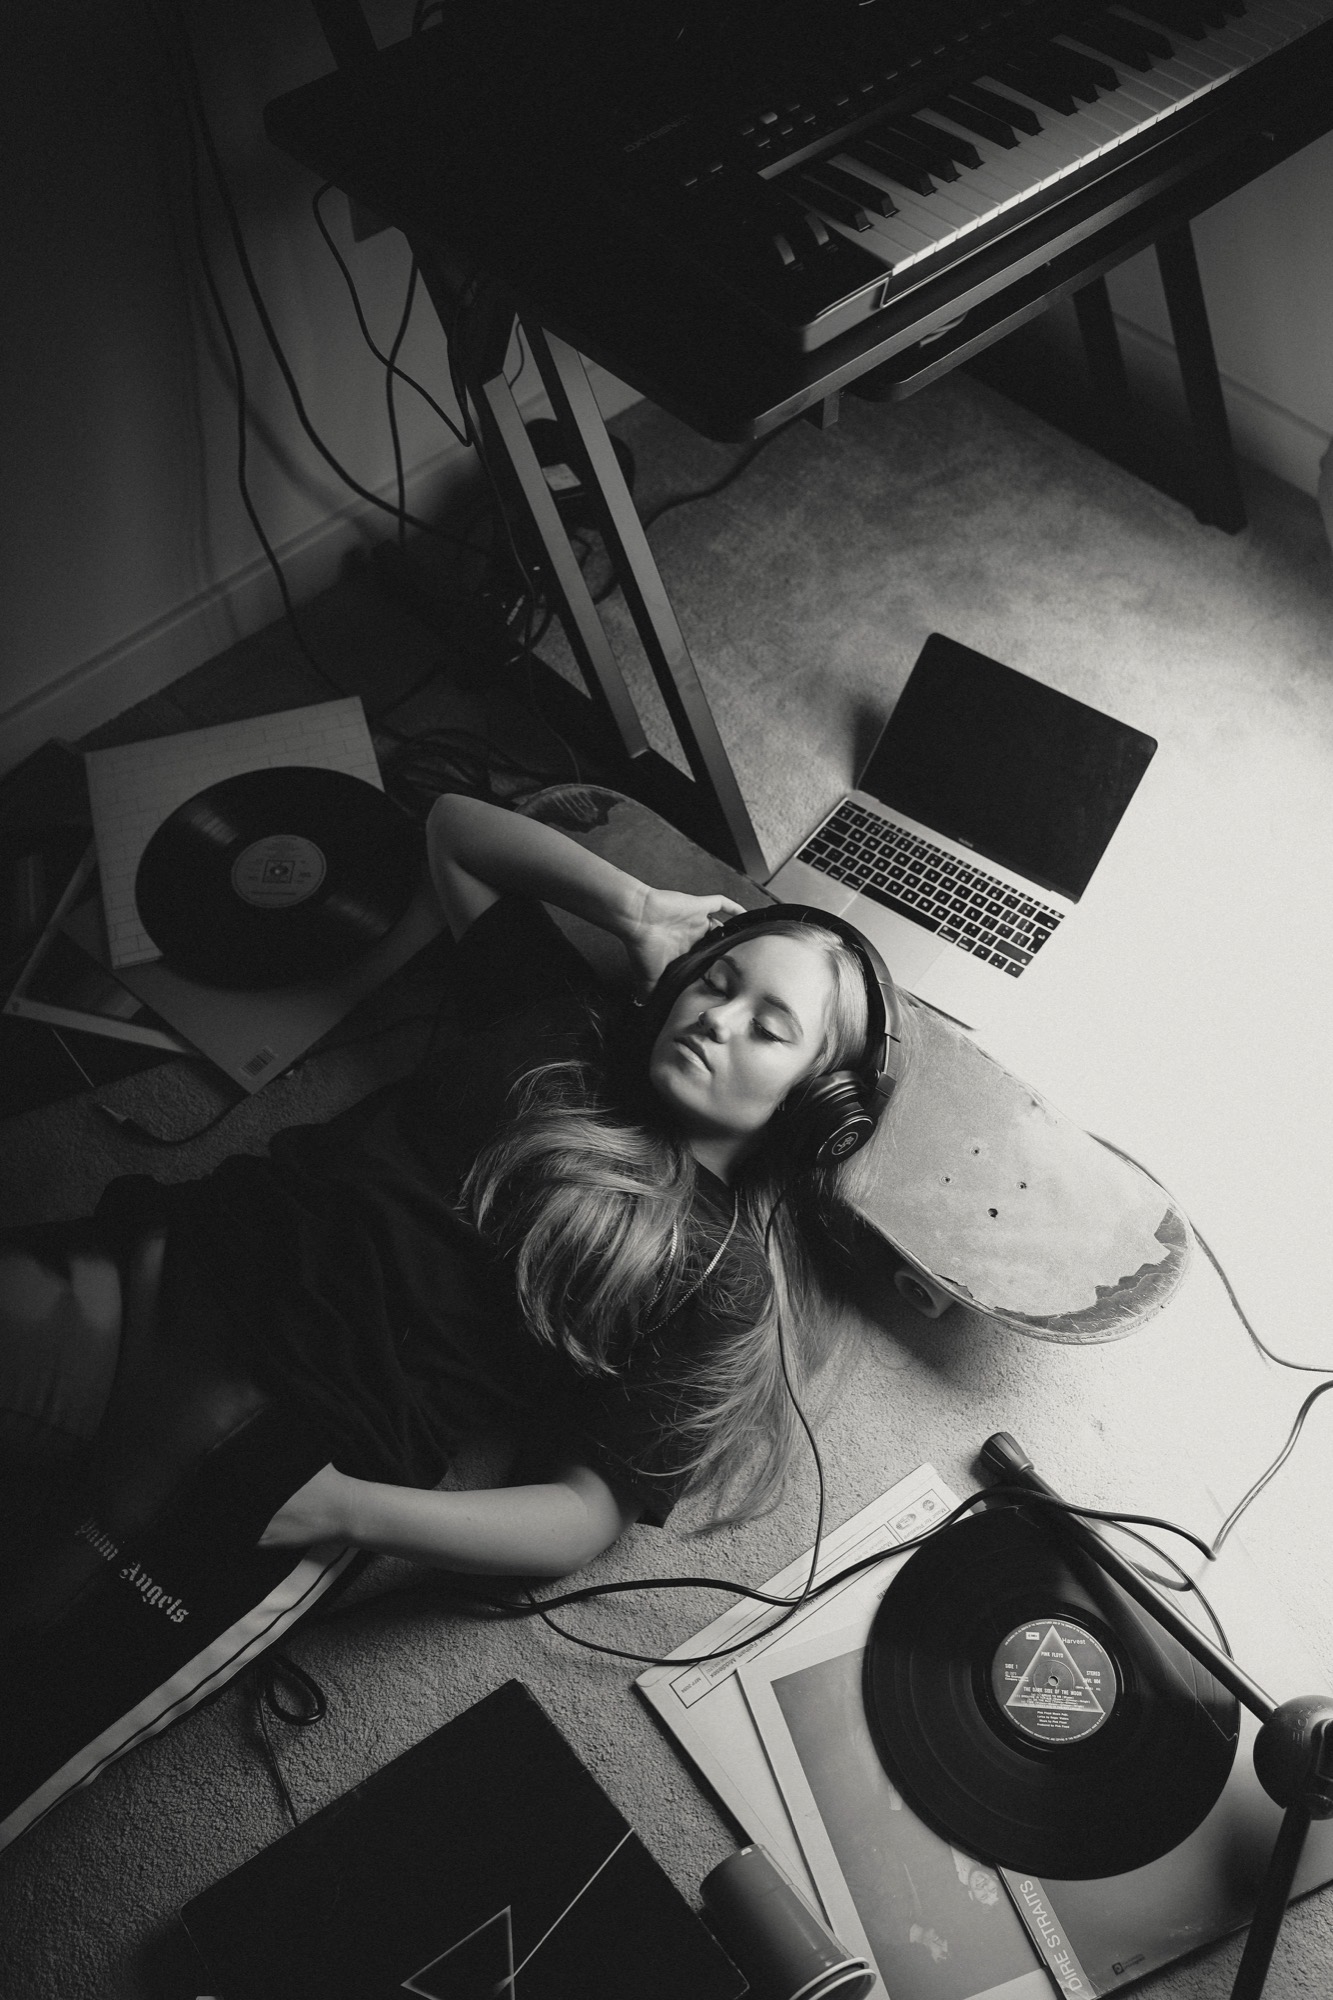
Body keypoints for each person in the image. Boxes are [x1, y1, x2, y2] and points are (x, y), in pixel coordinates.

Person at [0, 792, 900, 1596]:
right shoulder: (564, 1018)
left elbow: (585, 1513)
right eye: (715, 981)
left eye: (768, 1029)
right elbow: (455, 832)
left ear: (814, 1109)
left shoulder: (717, 1275)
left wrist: (343, 1510)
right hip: (172, 1257)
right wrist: (637, 909)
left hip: (279, 1425)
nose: (716, 1017)